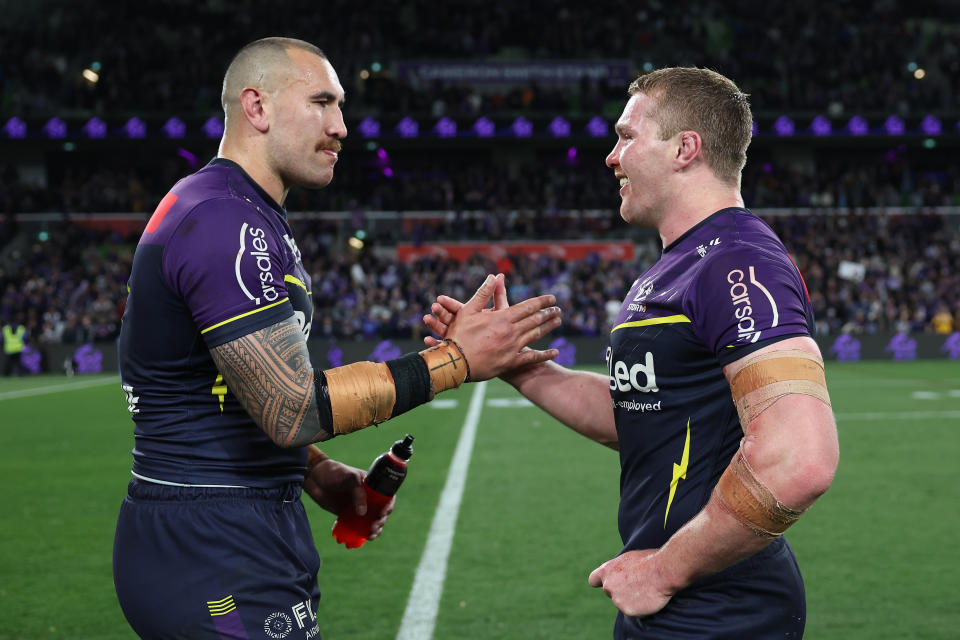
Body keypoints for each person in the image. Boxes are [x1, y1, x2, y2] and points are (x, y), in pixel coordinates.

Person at [112, 37, 562, 639]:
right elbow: (289, 409)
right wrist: (455, 361)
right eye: (322, 103)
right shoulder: (223, 219)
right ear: (257, 108)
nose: (342, 126)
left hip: (231, 526)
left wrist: (314, 472)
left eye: (341, 107)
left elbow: (226, 393)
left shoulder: (242, 211)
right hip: (210, 542)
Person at [425, 67, 838, 639]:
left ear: (685, 149)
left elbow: (800, 459)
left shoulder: (738, 261)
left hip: (724, 609)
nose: (611, 157)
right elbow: (641, 416)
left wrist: (666, 570)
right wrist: (516, 366)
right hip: (680, 602)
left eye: (626, 136)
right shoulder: (677, 267)